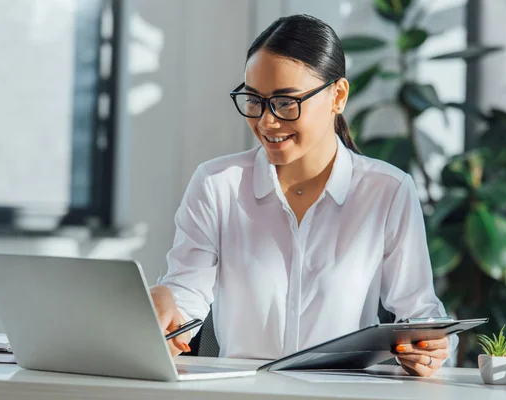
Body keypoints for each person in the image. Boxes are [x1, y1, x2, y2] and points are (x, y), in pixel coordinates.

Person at [150, 14, 454, 377]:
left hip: (340, 393)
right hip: (241, 392)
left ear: (337, 96)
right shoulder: (217, 184)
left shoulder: (387, 191)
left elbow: (419, 312)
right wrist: (166, 311)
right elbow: (185, 293)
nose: (267, 121)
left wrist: (429, 347)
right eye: (254, 100)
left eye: (285, 102)